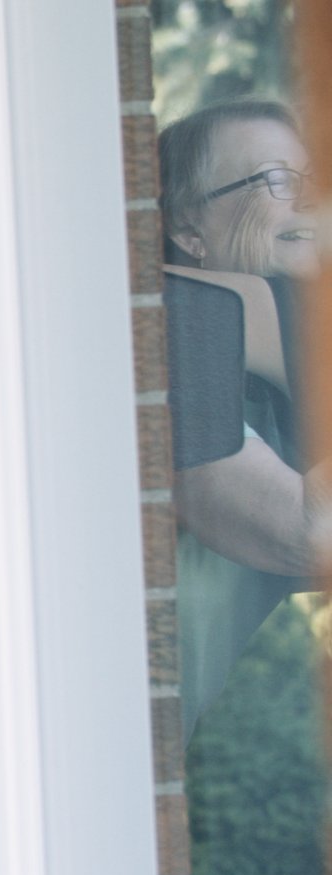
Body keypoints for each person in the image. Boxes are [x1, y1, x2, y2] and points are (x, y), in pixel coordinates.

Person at [157, 98, 324, 737]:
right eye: (275, 180)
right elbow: (308, 532)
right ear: (190, 230)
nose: (308, 201)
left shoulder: (280, 387)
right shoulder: (171, 345)